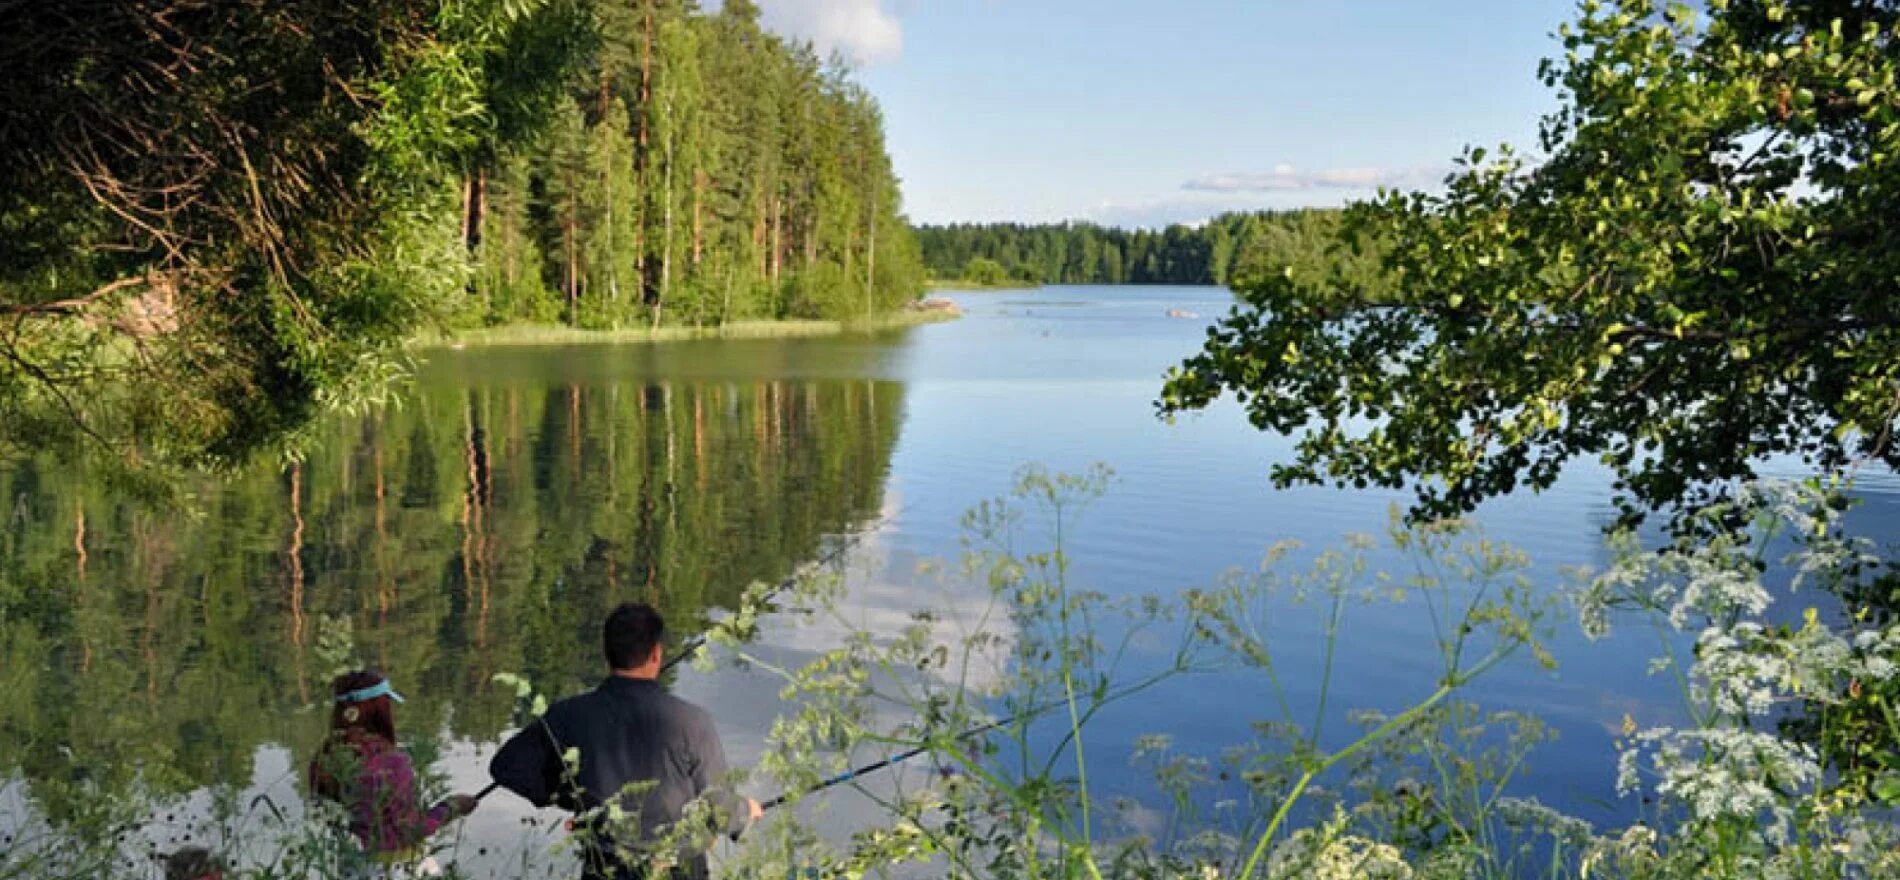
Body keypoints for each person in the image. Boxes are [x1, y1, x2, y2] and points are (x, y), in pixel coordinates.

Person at [489, 603, 762, 880]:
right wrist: (746, 811)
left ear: (606, 655)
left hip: (605, 869)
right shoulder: (693, 721)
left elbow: (508, 768)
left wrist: (573, 796)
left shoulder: (568, 715)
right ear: (656, 654)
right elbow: (720, 811)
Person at [309, 670, 478, 878]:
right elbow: (409, 830)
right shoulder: (393, 763)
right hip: (401, 870)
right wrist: (451, 807)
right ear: (380, 711)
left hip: (351, 868)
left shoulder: (324, 759)